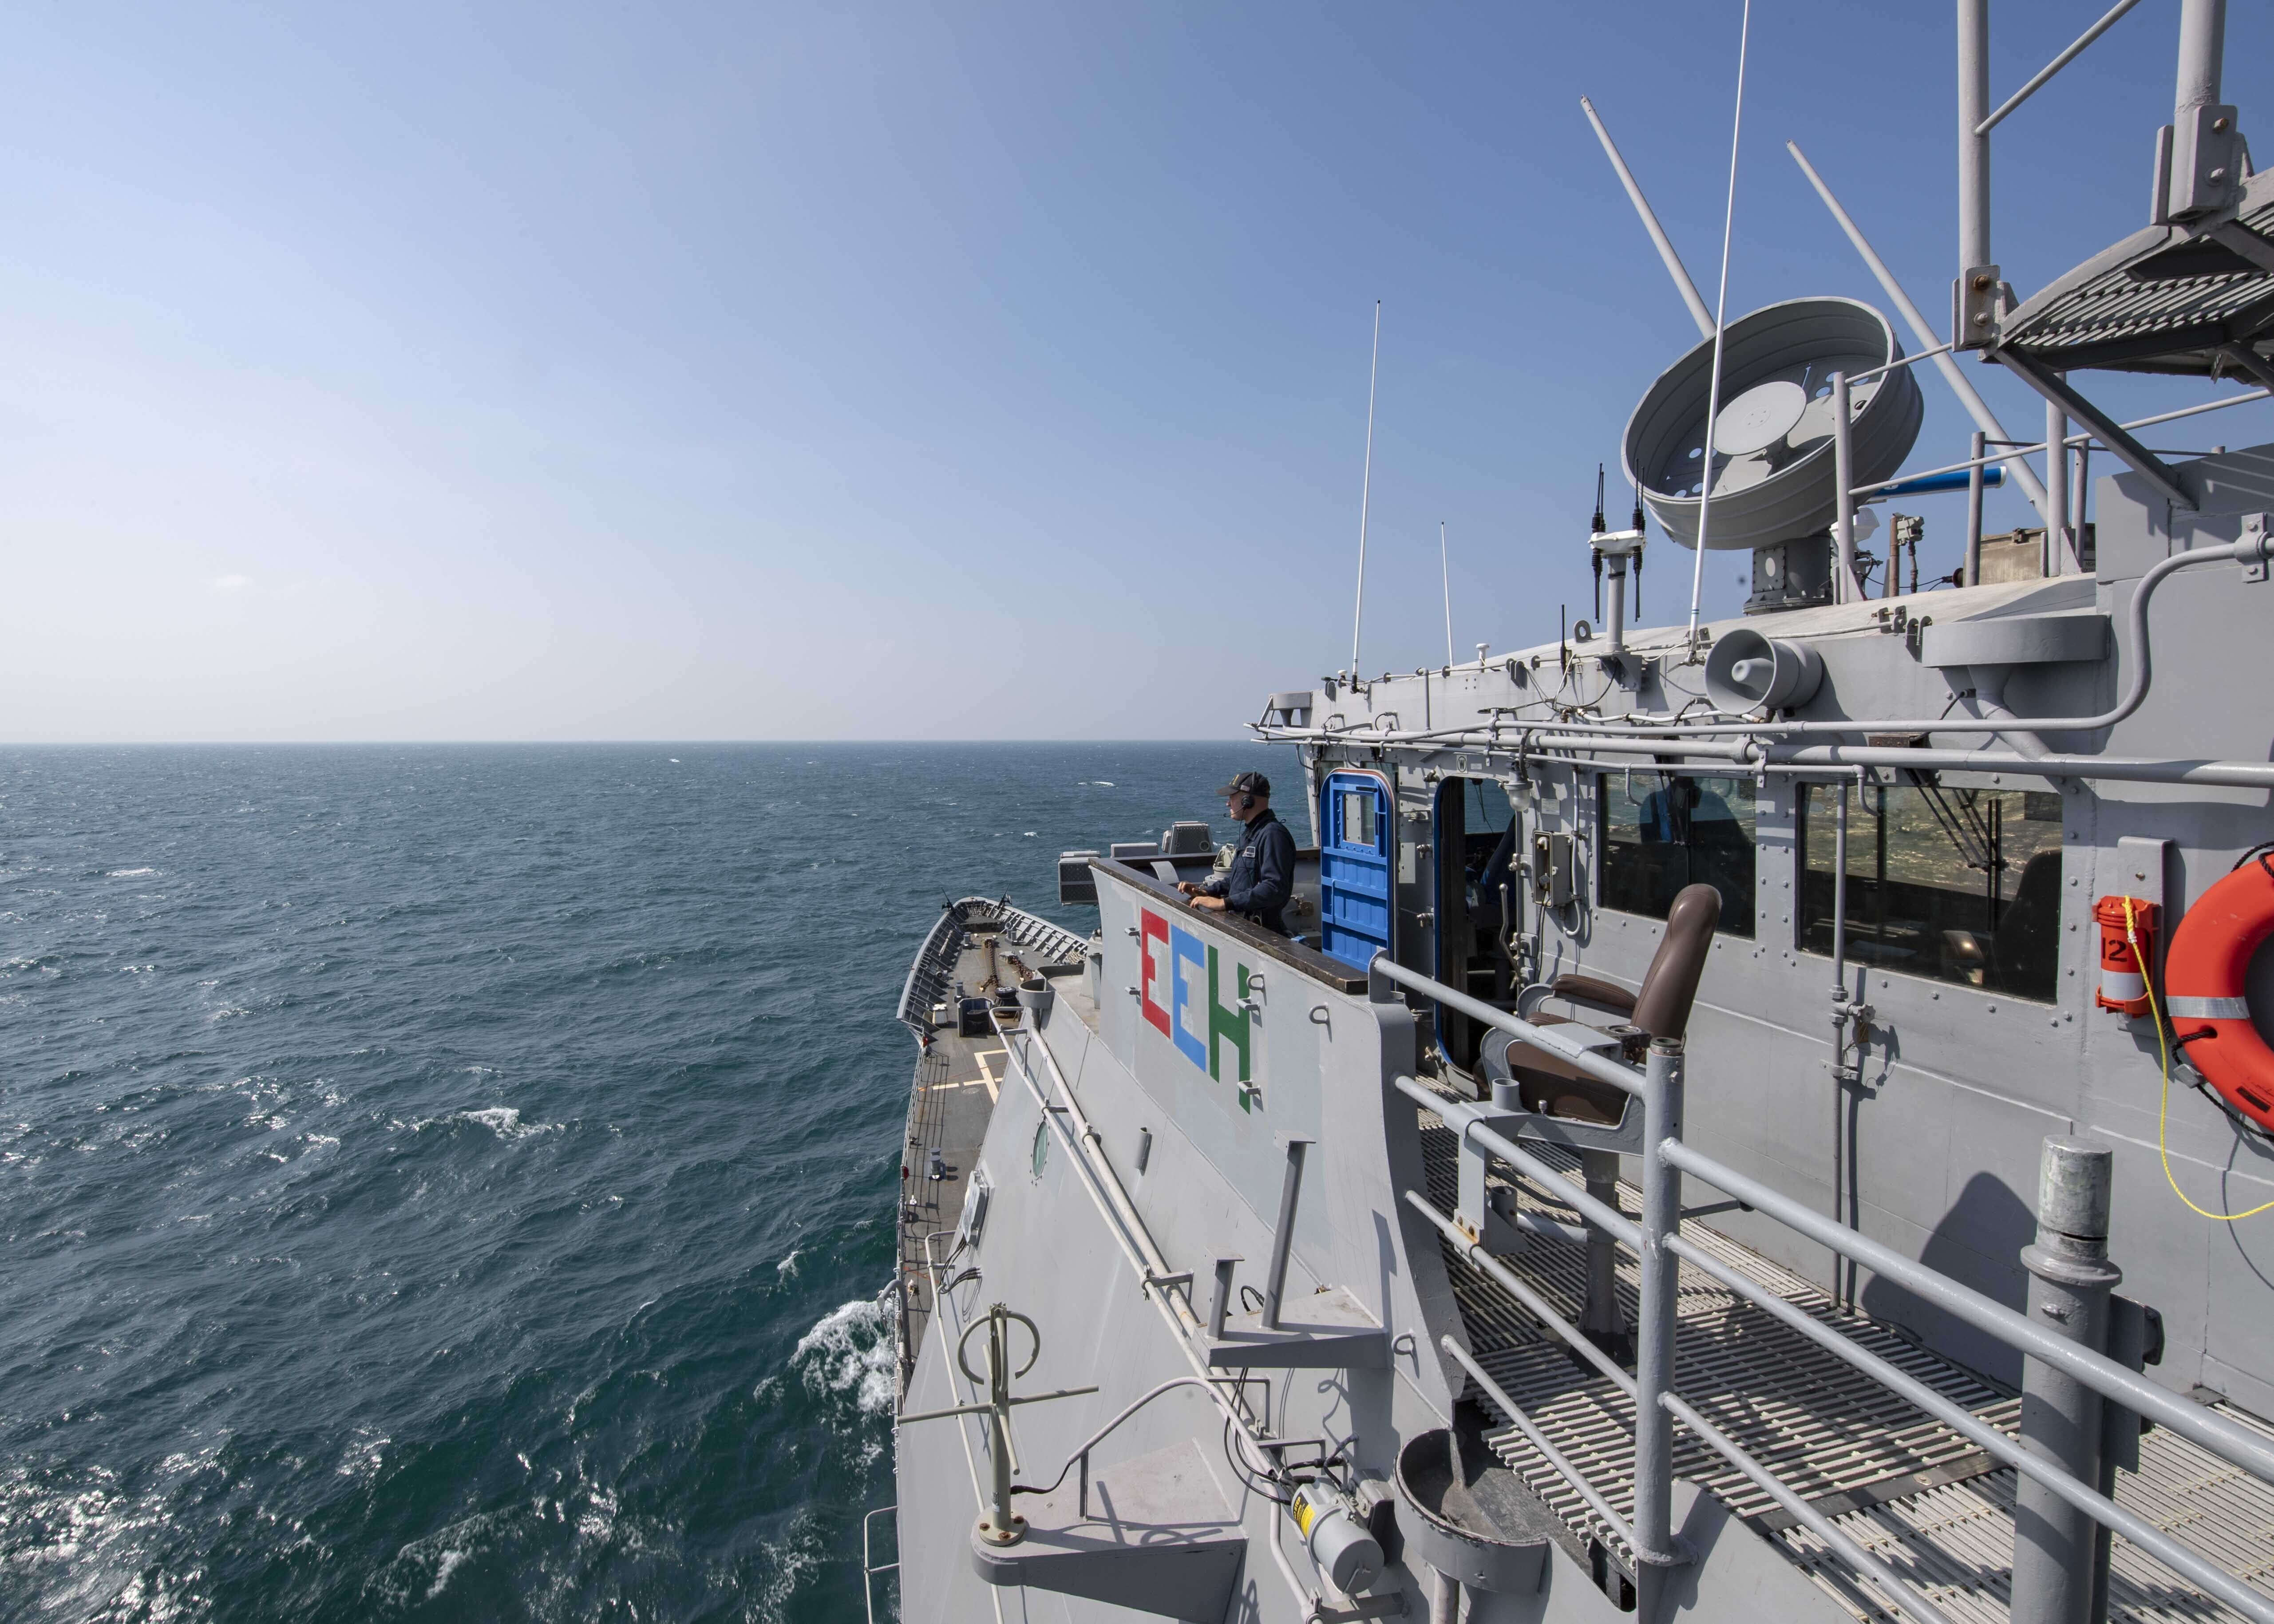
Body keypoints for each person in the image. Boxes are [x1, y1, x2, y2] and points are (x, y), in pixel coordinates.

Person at [1177, 771, 1295, 935]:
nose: (1228, 804)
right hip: (1243, 926)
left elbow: (1274, 888)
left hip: (1262, 931)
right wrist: (1206, 892)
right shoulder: (1252, 833)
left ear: (1248, 801)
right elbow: (1237, 879)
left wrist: (1224, 904)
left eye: (1232, 797)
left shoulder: (1273, 834)